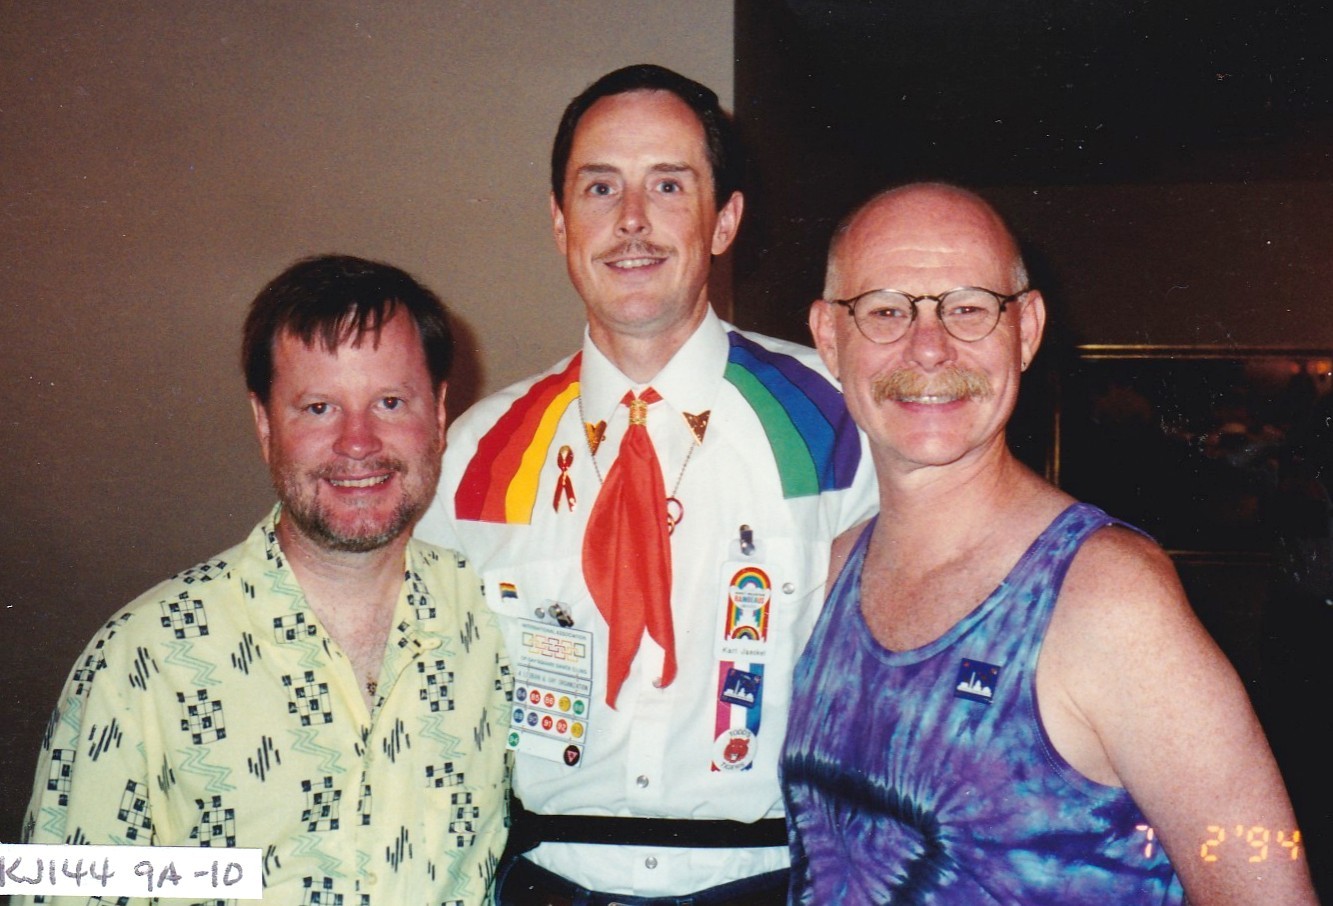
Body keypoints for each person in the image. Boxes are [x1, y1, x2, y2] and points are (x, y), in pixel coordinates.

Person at [782, 182, 1319, 904]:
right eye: (885, 310)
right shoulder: (835, 569)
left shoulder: (1107, 597)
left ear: (1027, 330)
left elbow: (1263, 881)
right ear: (827, 337)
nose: (929, 347)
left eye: (968, 308)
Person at [415, 64, 876, 903]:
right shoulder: (478, 452)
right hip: (544, 881)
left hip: (768, 883)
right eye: (599, 188)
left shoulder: (837, 420)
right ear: (559, 222)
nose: (630, 219)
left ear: (724, 219)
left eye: (668, 184)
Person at [18, 254, 512, 905]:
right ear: (264, 424)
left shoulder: (497, 623)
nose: (358, 442)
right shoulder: (144, 660)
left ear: (440, 414)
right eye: (318, 408)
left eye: (390, 402)